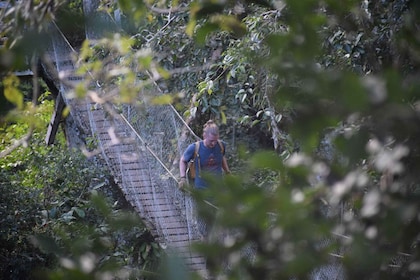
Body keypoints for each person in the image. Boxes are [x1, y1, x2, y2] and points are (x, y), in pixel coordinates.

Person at [179, 120, 231, 189]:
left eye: (215, 140)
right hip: (201, 190)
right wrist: (183, 178)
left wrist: (228, 173)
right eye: (211, 141)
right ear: (204, 136)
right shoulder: (195, 148)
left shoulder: (221, 145)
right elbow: (183, 160)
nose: (214, 143)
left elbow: (222, 157)